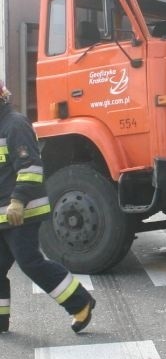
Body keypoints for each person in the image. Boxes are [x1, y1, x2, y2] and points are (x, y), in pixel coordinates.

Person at [0, 81, 95, 333]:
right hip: (3, 214)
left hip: (22, 212)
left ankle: (80, 302)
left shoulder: (15, 125)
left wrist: (18, 201)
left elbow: (30, 167)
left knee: (29, 262)